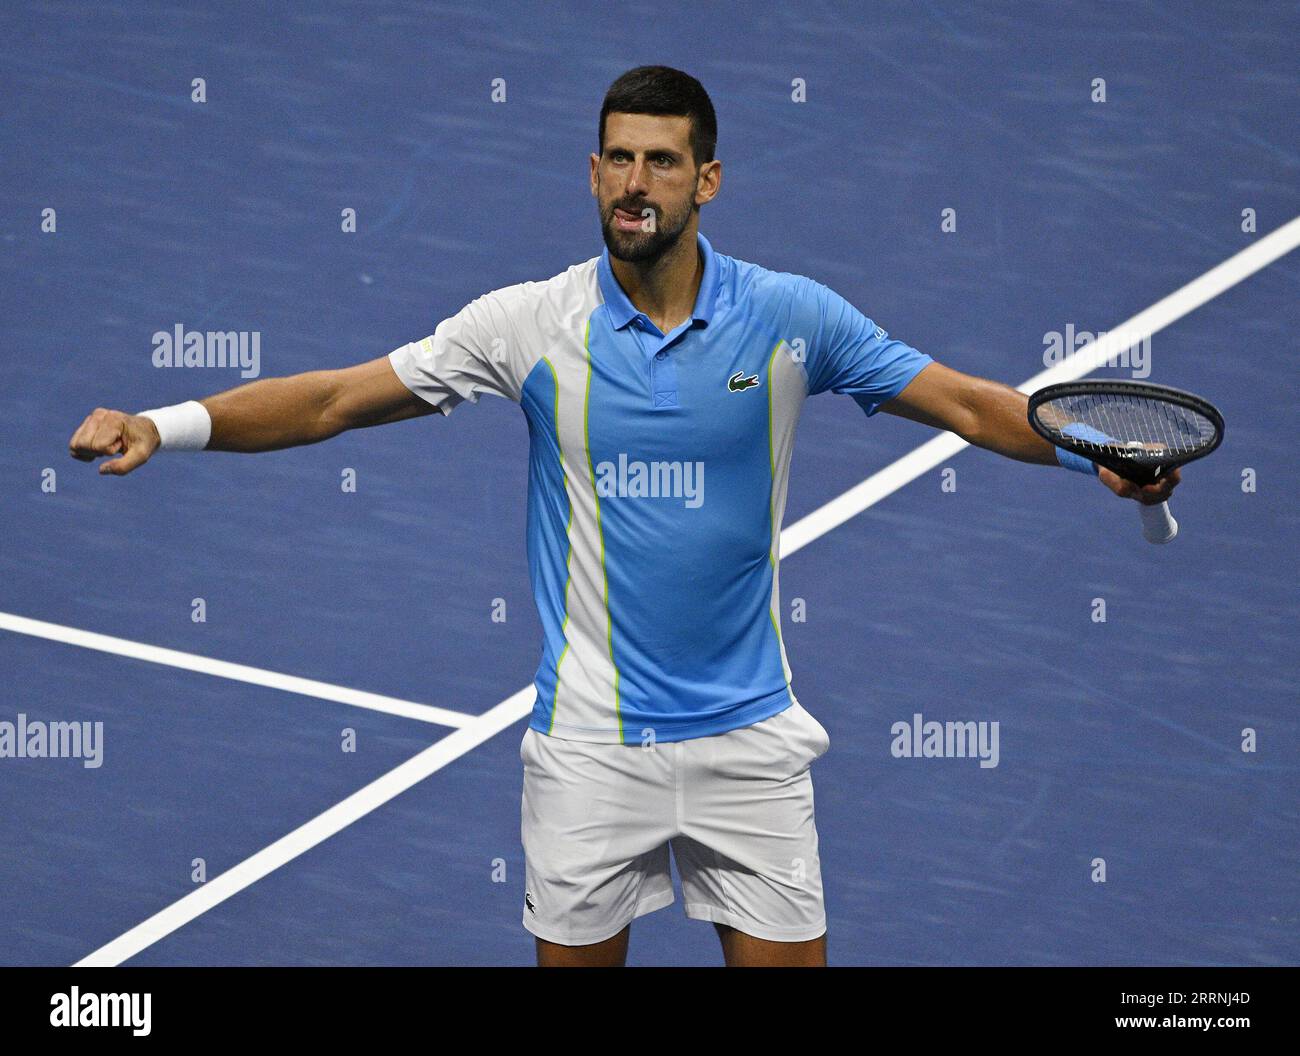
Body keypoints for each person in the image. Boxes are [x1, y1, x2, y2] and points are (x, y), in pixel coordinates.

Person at [68, 65, 1180, 967]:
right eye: (617, 158)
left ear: (709, 180)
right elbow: (332, 399)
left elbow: (971, 407)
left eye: (661, 160)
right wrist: (168, 422)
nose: (634, 182)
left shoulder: (793, 318)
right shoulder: (528, 323)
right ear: (592, 172)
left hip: (751, 740)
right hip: (590, 750)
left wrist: (1089, 450)